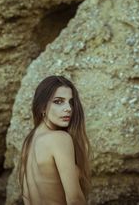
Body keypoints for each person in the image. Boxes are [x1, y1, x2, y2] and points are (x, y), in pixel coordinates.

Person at [18, 75, 91, 205]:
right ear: (42, 107)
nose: (68, 108)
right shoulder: (59, 139)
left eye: (71, 102)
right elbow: (75, 200)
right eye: (58, 101)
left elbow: (27, 198)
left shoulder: (29, 142)